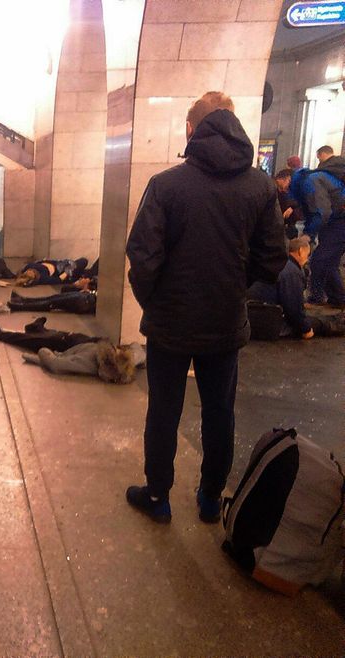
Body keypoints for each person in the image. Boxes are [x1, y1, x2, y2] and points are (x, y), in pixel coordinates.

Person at [125, 91, 286, 524]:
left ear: (191, 130)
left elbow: (142, 258)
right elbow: (273, 259)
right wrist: (234, 282)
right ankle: (211, 498)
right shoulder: (260, 185)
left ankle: (158, 496)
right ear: (235, 125)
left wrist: (155, 303)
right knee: (219, 411)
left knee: (163, 410)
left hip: (169, 325)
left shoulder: (166, 185)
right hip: (225, 323)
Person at [247, 235, 345, 339]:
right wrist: (306, 329)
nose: (307, 260)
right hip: (269, 322)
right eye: (307, 255)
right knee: (320, 324)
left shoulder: (278, 263)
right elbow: (293, 308)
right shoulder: (291, 271)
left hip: (253, 316)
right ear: (300, 251)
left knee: (315, 319)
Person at [290, 151, 345, 308]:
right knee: (329, 262)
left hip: (339, 222)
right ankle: (338, 299)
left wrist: (308, 234)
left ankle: (317, 297)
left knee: (319, 260)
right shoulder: (315, 178)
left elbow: (322, 212)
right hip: (336, 221)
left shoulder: (311, 181)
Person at [274, 169, 301, 239]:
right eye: (288, 181)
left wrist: (292, 208)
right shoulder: (272, 191)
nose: (289, 184)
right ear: (280, 180)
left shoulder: (286, 193)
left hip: (286, 226)